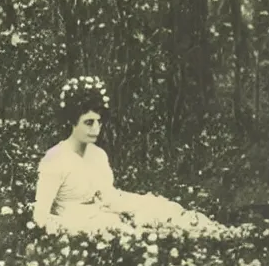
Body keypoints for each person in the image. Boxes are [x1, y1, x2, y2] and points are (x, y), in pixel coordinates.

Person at [32, 76, 225, 238]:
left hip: (107, 211)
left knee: (159, 209)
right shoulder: (55, 159)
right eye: (88, 122)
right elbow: (40, 217)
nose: (96, 129)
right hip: (82, 225)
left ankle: (218, 234)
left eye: (99, 122)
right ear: (71, 122)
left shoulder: (98, 155)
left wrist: (132, 208)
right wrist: (75, 227)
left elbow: (109, 195)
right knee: (132, 230)